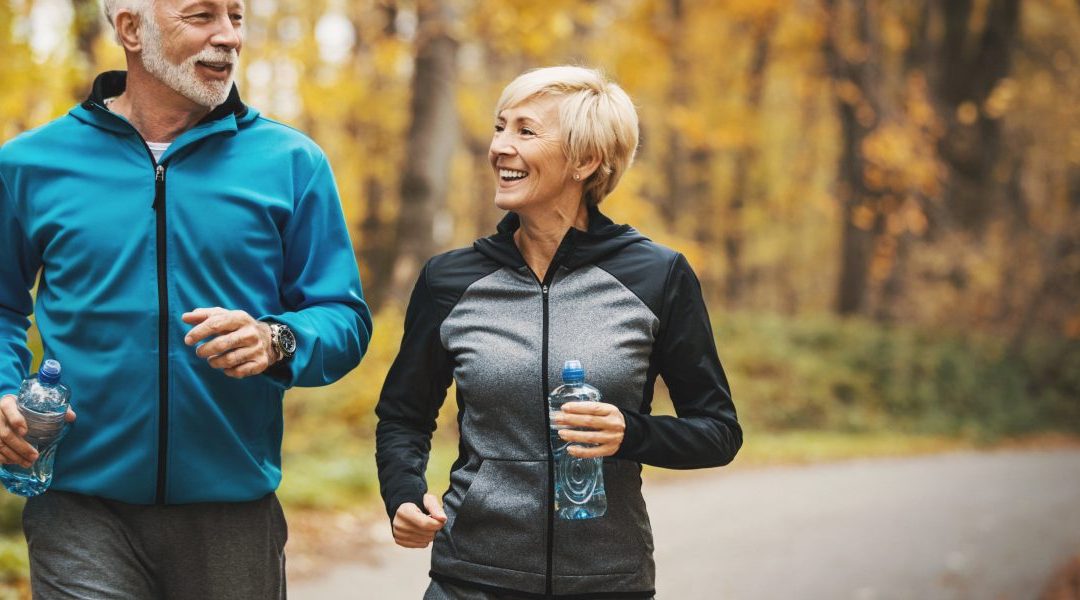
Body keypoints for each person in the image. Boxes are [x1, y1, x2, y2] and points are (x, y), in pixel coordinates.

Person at [0, 0, 372, 597]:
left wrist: (276, 338)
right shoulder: (30, 164)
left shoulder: (291, 162)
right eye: (201, 16)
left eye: (237, 16)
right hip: (78, 506)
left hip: (231, 511)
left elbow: (345, 317)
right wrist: (2, 389)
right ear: (130, 30)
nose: (228, 37)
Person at [375, 65, 742, 599]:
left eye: (525, 131)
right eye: (500, 127)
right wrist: (403, 495)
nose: (500, 146)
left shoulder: (657, 276)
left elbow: (718, 431)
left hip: (607, 580)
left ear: (586, 159)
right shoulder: (450, 280)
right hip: (470, 578)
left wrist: (630, 434)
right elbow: (404, 416)